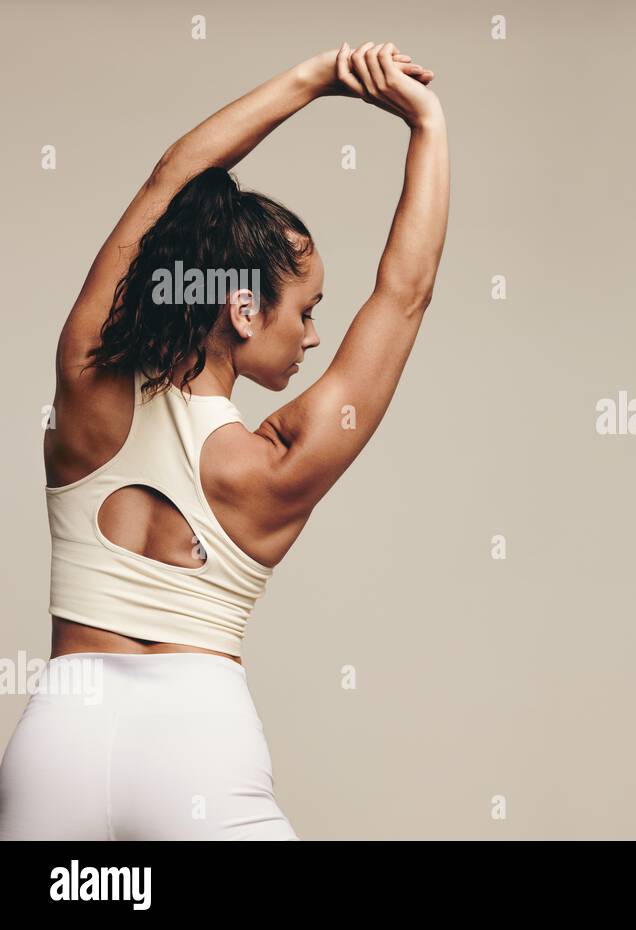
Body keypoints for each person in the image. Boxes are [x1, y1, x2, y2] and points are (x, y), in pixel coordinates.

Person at [0, 41, 450, 840]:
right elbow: (404, 297)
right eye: (307, 310)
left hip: (58, 745)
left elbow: (169, 177)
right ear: (244, 312)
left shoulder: (84, 382)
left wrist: (316, 77)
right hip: (196, 748)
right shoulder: (272, 465)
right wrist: (427, 126)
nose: (314, 335)